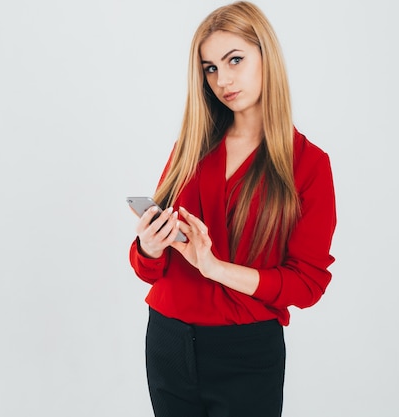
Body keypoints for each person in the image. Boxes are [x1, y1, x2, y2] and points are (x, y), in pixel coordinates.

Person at [128, 2, 336, 416]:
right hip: (167, 340)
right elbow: (149, 269)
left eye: (234, 60)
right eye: (210, 68)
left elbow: (307, 284)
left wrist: (215, 268)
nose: (222, 80)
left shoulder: (309, 164)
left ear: (266, 56)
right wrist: (149, 247)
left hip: (245, 350)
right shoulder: (191, 148)